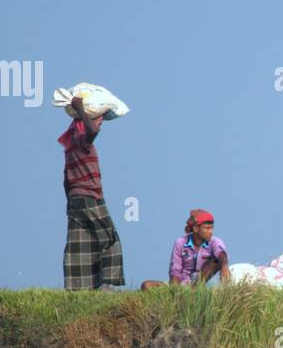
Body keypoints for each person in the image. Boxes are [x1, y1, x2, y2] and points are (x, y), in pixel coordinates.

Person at [59, 95, 125, 290]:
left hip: (75, 200)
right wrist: (80, 107)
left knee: (81, 242)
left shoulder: (71, 145)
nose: (100, 121)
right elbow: (92, 130)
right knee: (109, 239)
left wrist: (69, 204)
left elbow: (66, 179)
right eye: (97, 117)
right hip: (90, 197)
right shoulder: (83, 140)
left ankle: (79, 288)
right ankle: (106, 285)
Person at [141, 210, 230, 290]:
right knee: (146, 285)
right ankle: (182, 295)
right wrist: (176, 290)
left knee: (217, 261)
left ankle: (195, 291)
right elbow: (175, 270)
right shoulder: (180, 243)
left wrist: (224, 265)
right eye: (207, 228)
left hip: (200, 282)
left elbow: (221, 252)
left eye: (212, 228)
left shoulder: (214, 241)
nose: (211, 231)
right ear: (196, 229)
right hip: (181, 283)